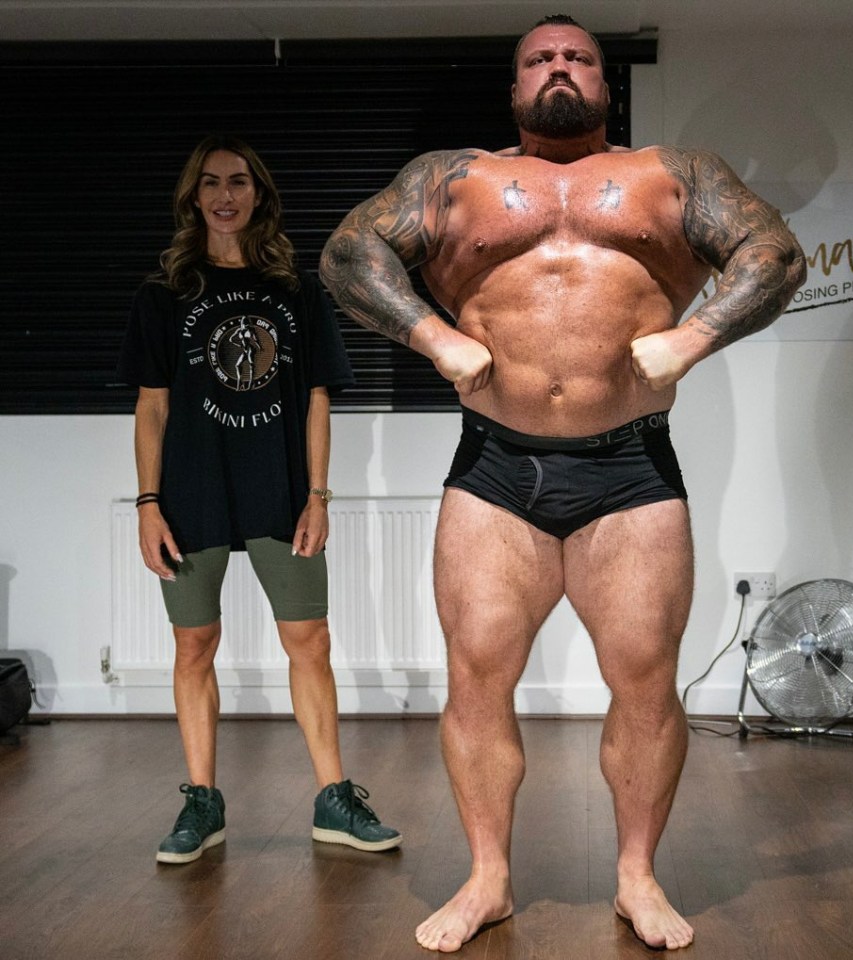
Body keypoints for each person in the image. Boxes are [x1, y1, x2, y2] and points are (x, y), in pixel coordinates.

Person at [320, 14, 805, 952]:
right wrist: (433, 335)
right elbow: (349, 253)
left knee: (646, 685)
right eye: (539, 59)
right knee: (475, 682)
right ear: (513, 89)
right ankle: (489, 879)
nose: (558, 69)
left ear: (604, 83)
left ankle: (636, 877)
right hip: (495, 469)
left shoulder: (676, 174)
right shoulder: (456, 178)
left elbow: (773, 252)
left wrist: (694, 337)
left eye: (577, 57)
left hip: (630, 467)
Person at [118, 134, 401, 865]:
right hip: (190, 494)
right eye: (210, 182)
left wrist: (318, 495)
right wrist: (147, 503)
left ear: (259, 195)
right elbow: (152, 408)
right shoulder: (162, 295)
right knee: (194, 645)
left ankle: (334, 799)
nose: (224, 195)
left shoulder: (298, 293)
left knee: (309, 642)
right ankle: (202, 803)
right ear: (193, 198)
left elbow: (315, 400)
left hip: (280, 492)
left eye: (238, 182)